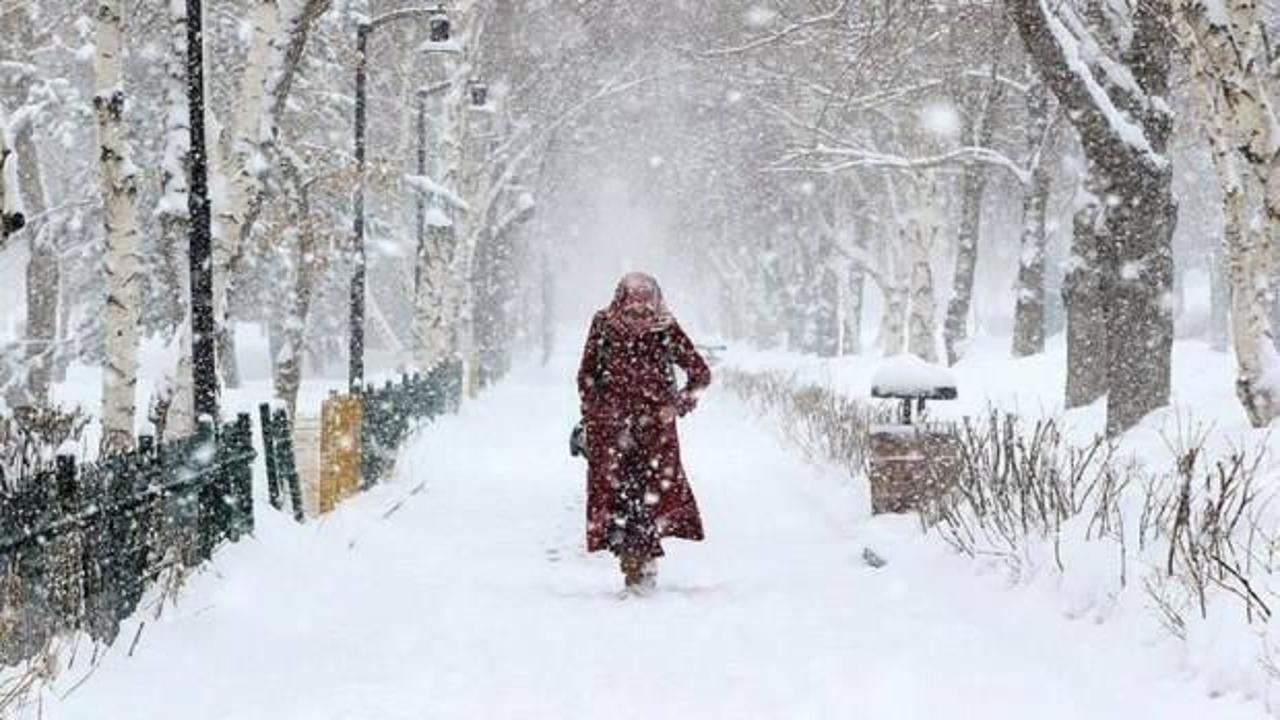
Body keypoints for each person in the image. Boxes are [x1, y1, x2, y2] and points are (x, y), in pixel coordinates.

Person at [576, 272, 712, 593]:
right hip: (612, 434)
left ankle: (641, 568)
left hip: (654, 437)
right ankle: (634, 565)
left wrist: (677, 406)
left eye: (645, 310)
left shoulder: (665, 329)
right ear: (619, 302)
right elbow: (587, 375)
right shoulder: (604, 325)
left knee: (647, 501)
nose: (638, 317)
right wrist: (594, 414)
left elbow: (700, 374)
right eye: (632, 310)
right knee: (619, 501)